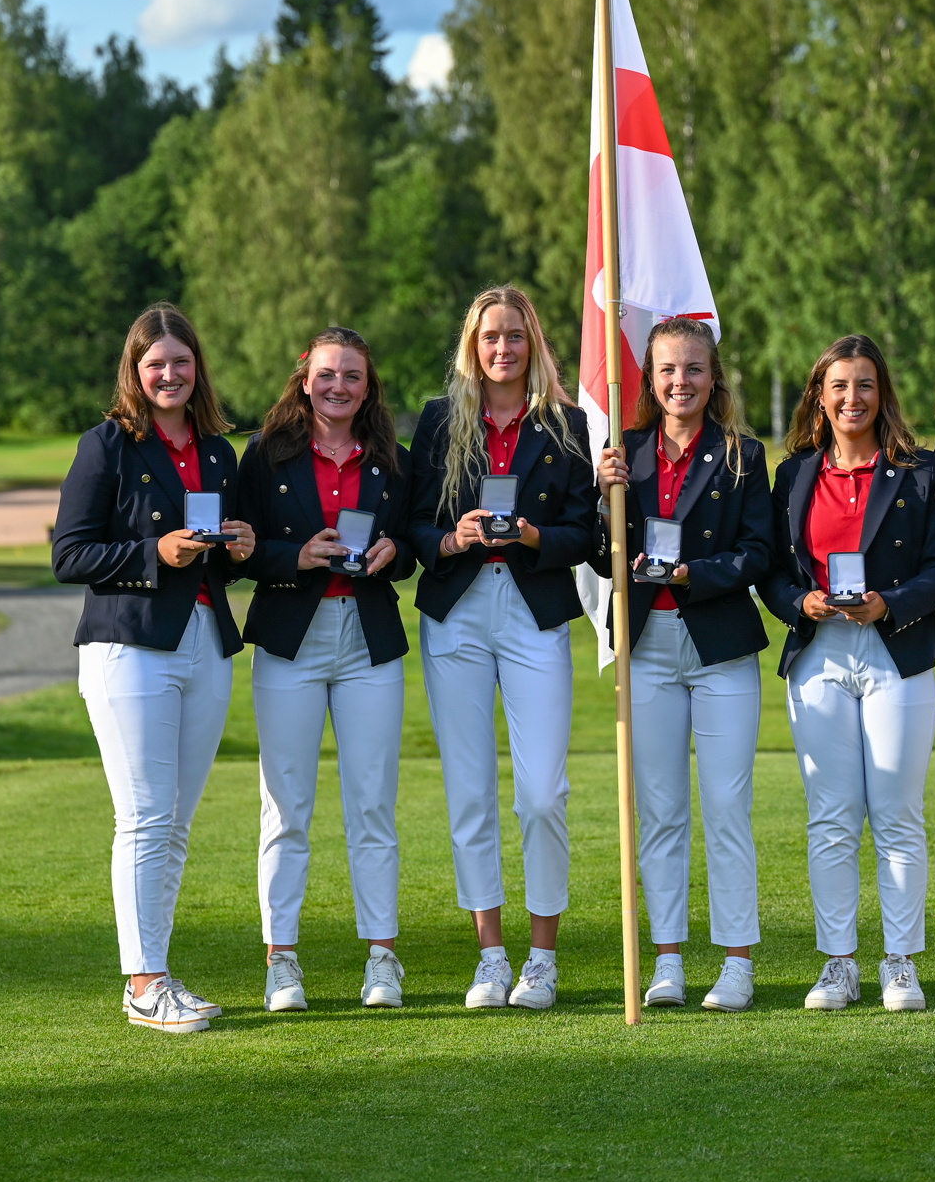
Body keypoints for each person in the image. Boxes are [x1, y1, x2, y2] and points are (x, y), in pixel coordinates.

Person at [52, 303, 255, 1034]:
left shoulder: (219, 454)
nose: (169, 374)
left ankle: (158, 973)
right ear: (134, 372)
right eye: (154, 363)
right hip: (128, 646)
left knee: (175, 824)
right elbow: (68, 555)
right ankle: (143, 984)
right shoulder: (105, 446)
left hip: (204, 640)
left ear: (196, 366)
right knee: (144, 818)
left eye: (180, 361)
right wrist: (152, 554)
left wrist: (238, 547)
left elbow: (226, 562)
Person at [407, 287, 596, 1010]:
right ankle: (491, 953)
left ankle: (541, 958)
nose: (503, 348)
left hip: (534, 609)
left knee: (543, 793)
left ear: (534, 343)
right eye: (490, 336)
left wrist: (533, 536)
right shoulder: (438, 422)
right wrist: (451, 538)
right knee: (470, 791)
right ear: (472, 344)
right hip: (456, 612)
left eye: (515, 335)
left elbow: (585, 532)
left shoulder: (568, 425)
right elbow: (414, 521)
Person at [759, 335, 935, 1013]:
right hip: (819, 657)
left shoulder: (921, 472)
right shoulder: (792, 476)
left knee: (898, 815)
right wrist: (799, 601)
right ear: (819, 394)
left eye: (865, 385)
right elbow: (774, 572)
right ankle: (839, 964)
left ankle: (899, 962)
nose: (852, 398)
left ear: (883, 394)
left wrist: (891, 604)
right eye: (839, 386)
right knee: (832, 819)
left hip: (894, 652)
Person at [593, 319, 777, 1013]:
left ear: (713, 376)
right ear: (650, 378)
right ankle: (666, 958)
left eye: (694, 369)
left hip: (719, 647)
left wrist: (696, 572)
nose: (681, 382)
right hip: (645, 649)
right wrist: (597, 493)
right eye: (668, 370)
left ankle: (735, 963)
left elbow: (759, 553)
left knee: (727, 808)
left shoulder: (742, 455)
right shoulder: (624, 453)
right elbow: (593, 552)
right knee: (661, 811)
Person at [232, 328, 415, 1014]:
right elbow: (240, 549)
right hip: (290, 639)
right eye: (328, 374)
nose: (340, 387)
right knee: (286, 808)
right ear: (305, 378)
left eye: (354, 377)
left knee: (373, 804)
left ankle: (382, 958)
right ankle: (282, 961)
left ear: (369, 388)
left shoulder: (392, 459)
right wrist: (293, 556)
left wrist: (395, 550)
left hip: (368, 640)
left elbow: (413, 545)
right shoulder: (266, 454)